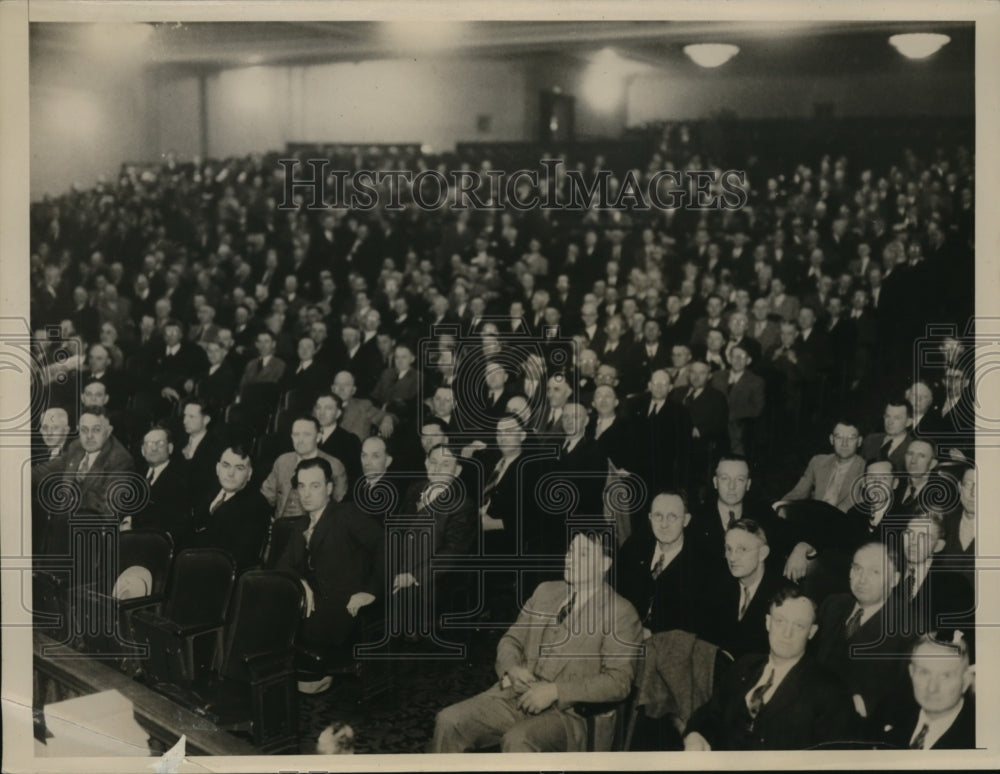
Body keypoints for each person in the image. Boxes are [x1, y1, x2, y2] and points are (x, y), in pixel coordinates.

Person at [430, 531, 643, 752]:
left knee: (519, 740)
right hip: (516, 695)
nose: (570, 558)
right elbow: (511, 640)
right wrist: (512, 668)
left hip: (571, 714)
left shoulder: (620, 612)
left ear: (605, 564)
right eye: (570, 550)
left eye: (583, 554)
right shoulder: (545, 591)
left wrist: (555, 691)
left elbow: (618, 682)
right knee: (449, 721)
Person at [683, 586, 853, 750]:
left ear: (812, 632)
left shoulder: (829, 690)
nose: (787, 634)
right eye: (780, 621)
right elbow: (711, 714)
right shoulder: (744, 666)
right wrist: (696, 734)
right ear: (768, 622)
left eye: (799, 626)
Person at [273, 458, 385, 672]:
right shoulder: (301, 525)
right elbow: (282, 565)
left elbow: (386, 545)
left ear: (329, 488)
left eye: (314, 486)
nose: (306, 493)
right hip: (310, 606)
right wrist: (301, 582)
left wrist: (371, 591)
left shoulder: (347, 514)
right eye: (301, 486)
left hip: (342, 608)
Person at [813, 541, 909, 721]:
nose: (862, 579)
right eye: (857, 569)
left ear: (895, 579)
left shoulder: (909, 625)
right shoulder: (832, 605)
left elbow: (906, 693)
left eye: (875, 572)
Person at [616, 491, 714, 640]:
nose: (664, 524)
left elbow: (700, 625)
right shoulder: (633, 549)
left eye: (672, 517)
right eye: (658, 516)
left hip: (672, 651)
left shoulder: (703, 565)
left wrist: (653, 634)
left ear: (686, 520)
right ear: (650, 518)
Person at [874, 632, 975, 749]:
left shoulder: (979, 738)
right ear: (911, 672)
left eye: (946, 676)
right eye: (924, 673)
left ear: (966, 681)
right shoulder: (888, 717)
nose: (932, 688)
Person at [707, 519, 785, 659]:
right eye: (728, 549)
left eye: (742, 549)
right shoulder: (717, 587)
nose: (732, 557)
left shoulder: (784, 596)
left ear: (762, 553)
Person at [191, 444, 271, 570]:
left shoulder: (257, 506)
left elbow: (243, 557)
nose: (230, 473)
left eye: (239, 468)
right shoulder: (205, 492)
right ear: (217, 468)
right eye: (226, 465)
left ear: (249, 474)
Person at [897, 511, 973, 635]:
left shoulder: (955, 586)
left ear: (938, 546)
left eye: (924, 537)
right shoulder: (886, 573)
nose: (913, 542)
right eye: (909, 534)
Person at [262, 416, 348, 519]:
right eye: (296, 435)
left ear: (318, 437)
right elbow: (266, 496)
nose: (300, 440)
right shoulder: (283, 461)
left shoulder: (334, 465)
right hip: (281, 526)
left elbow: (337, 506)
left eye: (306, 434)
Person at [779, 420, 865, 513]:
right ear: (831, 439)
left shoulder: (866, 469)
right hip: (815, 517)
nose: (844, 443)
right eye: (839, 437)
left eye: (851, 438)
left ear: (859, 441)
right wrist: (779, 507)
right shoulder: (818, 462)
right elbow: (798, 493)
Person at [128, 426, 191, 542]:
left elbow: (177, 523)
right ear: (143, 450)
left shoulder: (181, 478)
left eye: (160, 443)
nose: (154, 448)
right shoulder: (137, 473)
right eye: (149, 444)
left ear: (170, 448)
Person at [710, 344, 764, 456]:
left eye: (742, 357)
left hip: (738, 426)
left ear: (748, 361)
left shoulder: (756, 381)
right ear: (729, 359)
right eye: (735, 356)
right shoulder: (716, 376)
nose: (738, 360)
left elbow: (757, 408)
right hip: (714, 424)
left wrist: (729, 415)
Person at [314, 392, 362, 487]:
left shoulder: (349, 440)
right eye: (319, 407)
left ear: (338, 413)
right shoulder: (305, 435)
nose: (321, 412)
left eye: (328, 408)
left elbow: (353, 478)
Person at [860, 398, 914, 472]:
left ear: (909, 422)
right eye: (887, 416)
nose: (890, 422)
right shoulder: (870, 440)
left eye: (897, 418)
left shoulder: (913, 447)